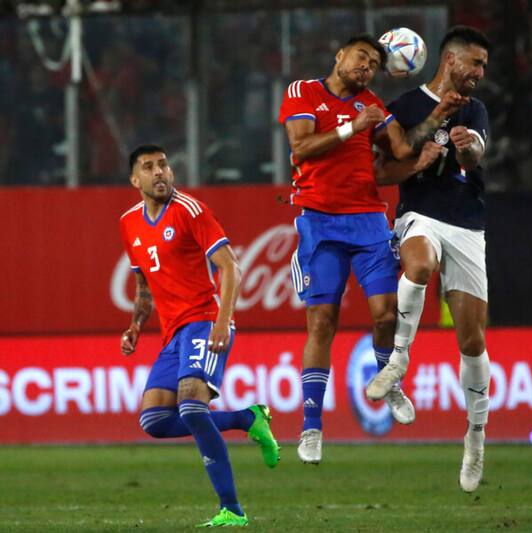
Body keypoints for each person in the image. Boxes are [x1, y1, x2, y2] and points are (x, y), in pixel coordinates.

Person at [278, 34, 457, 464]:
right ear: (339, 54)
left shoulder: (372, 103)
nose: (366, 66)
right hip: (318, 220)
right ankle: (311, 427)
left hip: (368, 221)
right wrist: (350, 128)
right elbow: (300, 148)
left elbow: (398, 148)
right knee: (321, 324)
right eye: (361, 56)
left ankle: (388, 379)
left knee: (386, 312)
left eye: (375, 63)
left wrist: (436, 116)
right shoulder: (302, 92)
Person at [118, 144, 280, 527]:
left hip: (205, 321)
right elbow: (144, 286)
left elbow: (231, 268)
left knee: (191, 407)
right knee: (154, 420)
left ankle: (232, 510)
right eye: (149, 167)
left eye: (164, 165)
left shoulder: (191, 210)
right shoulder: (129, 223)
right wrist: (136, 326)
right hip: (172, 332)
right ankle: (247, 418)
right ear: (134, 179)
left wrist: (223, 321)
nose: (159, 172)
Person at [367, 26, 492, 493]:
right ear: (451, 60)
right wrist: (417, 162)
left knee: (472, 340)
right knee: (417, 266)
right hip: (420, 212)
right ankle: (398, 360)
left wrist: (468, 148)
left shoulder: (475, 109)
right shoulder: (403, 109)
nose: (480, 73)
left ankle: (475, 438)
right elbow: (381, 171)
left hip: (468, 224)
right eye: (475, 64)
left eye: (483, 67)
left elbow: (478, 155)